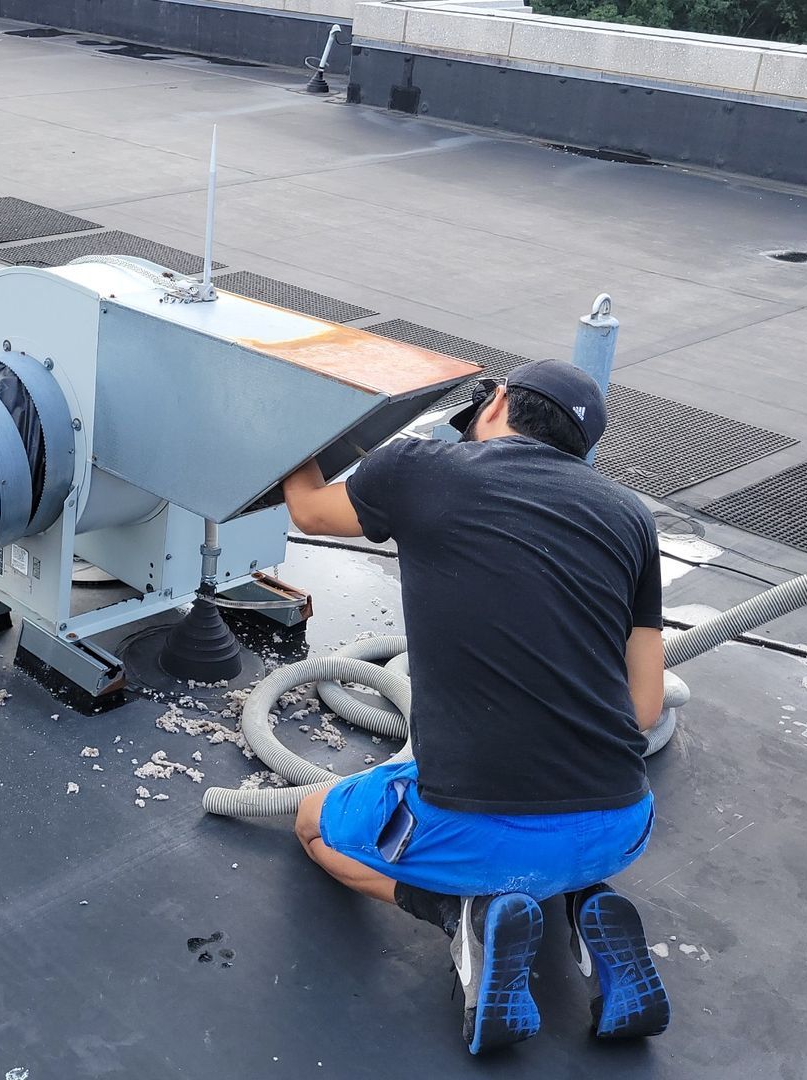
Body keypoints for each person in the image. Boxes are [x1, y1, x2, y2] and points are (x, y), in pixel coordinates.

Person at [280, 359, 670, 1056]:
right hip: (622, 821)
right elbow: (643, 707)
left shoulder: (419, 470)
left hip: (476, 826)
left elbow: (309, 506)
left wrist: (285, 427)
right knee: (548, 848)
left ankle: (459, 914)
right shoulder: (631, 517)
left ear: (493, 407)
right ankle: (588, 906)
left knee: (313, 823)